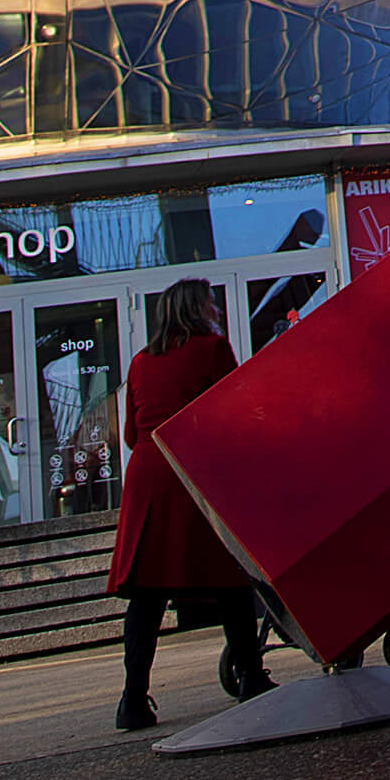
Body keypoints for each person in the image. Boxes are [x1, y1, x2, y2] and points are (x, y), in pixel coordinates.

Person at [106, 278, 270, 730]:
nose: (215, 307)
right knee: (229, 577)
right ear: (197, 307)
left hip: (148, 477)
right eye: (210, 300)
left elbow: (130, 432)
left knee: (147, 594)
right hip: (190, 469)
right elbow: (232, 413)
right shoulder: (212, 350)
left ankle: (132, 699)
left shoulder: (141, 362)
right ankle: (251, 676)